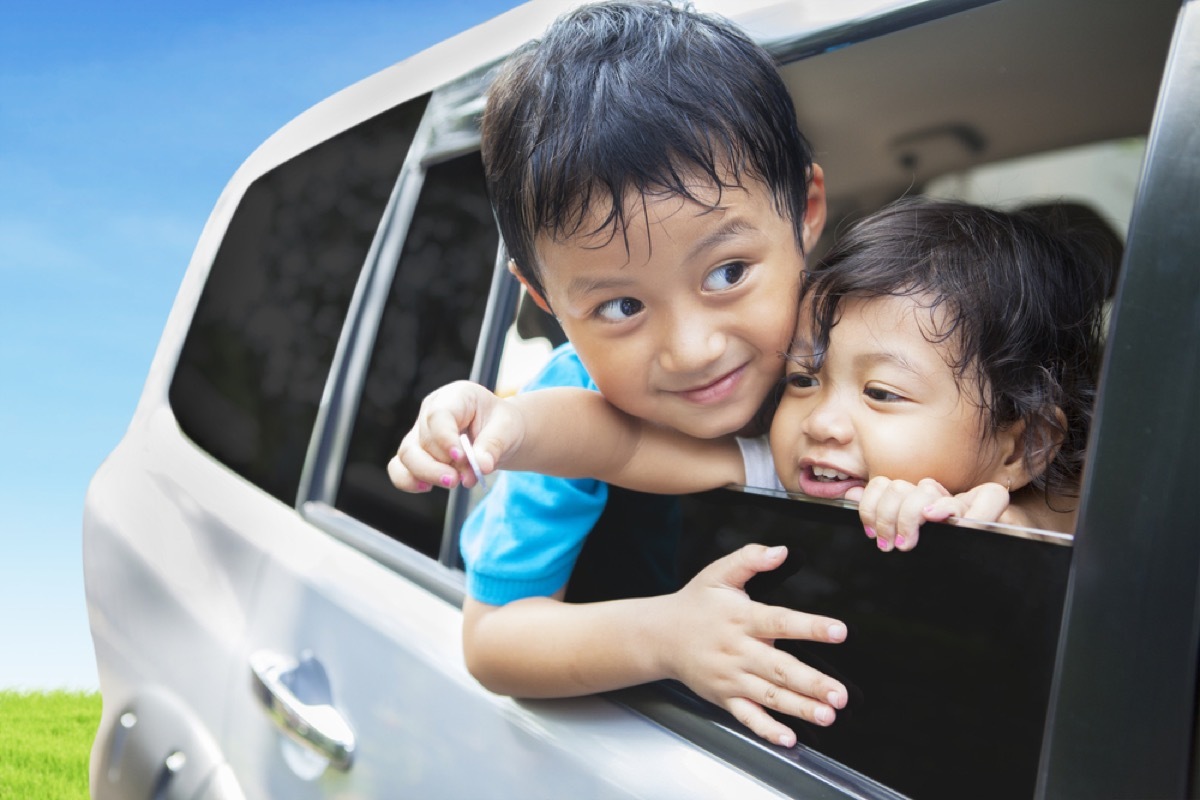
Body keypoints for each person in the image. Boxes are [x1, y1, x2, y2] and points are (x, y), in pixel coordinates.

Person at [390, 0, 845, 749]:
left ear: (804, 211)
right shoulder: (573, 400)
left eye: (728, 271)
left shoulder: (854, 356)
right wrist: (665, 635)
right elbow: (493, 641)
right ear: (545, 302)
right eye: (622, 305)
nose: (693, 349)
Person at [393, 197, 1115, 550]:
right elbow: (622, 445)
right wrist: (508, 422)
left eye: (882, 393)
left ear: (1024, 446)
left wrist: (1006, 537)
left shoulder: (1036, 526)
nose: (821, 420)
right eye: (803, 379)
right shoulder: (779, 466)